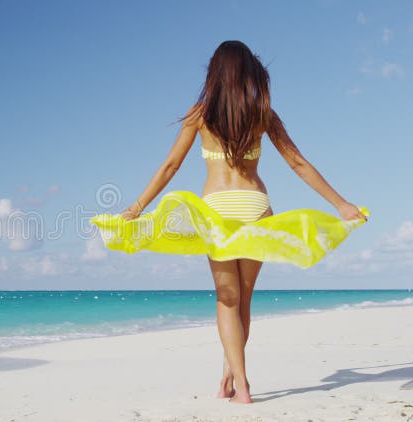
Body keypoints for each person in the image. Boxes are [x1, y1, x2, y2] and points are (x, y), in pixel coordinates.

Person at [110, 40, 368, 404]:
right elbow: (298, 164)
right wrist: (341, 204)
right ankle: (231, 377)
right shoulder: (263, 114)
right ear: (247, 72)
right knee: (243, 300)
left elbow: (170, 166)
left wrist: (135, 208)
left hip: (216, 211)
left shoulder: (199, 114)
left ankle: (242, 384)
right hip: (256, 207)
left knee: (227, 300)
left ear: (215, 74)